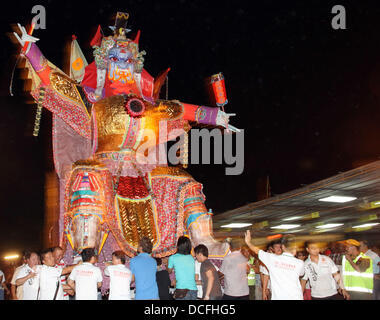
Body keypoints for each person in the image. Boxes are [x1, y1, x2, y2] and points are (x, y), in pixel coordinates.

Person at [245, 231, 304, 300]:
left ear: (283, 247)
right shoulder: (300, 263)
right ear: (295, 247)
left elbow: (257, 251)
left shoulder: (272, 259)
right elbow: (301, 273)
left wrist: (248, 242)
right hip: (296, 297)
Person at [168, 236, 198, 300]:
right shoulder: (191, 258)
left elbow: (169, 271)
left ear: (178, 245)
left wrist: (167, 266)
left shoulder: (172, 258)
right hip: (193, 290)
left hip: (182, 291)